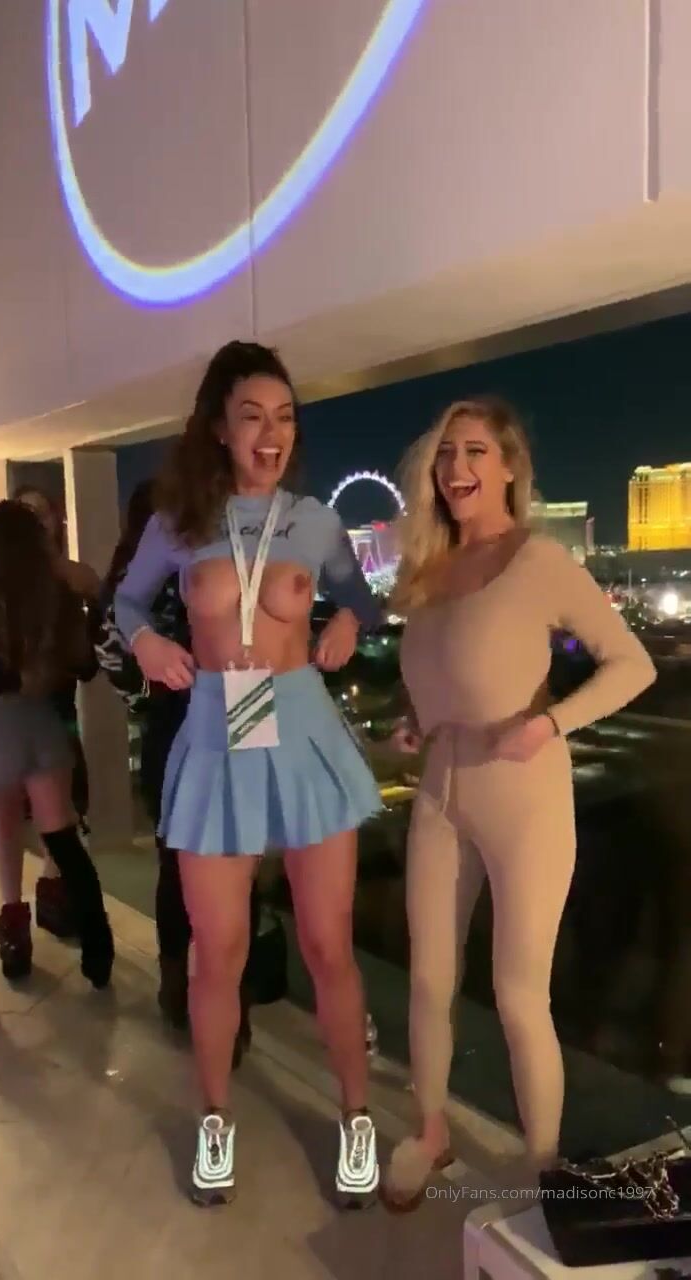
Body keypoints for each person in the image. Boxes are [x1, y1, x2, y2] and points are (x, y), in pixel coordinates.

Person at [114, 340, 383, 1207]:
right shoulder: (176, 522)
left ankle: (356, 1116)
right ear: (219, 429)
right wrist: (147, 641)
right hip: (216, 732)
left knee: (327, 945)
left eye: (285, 417)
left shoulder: (315, 519)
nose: (271, 434)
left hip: (302, 728)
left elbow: (362, 596)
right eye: (252, 416)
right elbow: (124, 601)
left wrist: (349, 621)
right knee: (217, 952)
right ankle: (215, 1119)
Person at [382, 396, 656, 1208]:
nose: (456, 467)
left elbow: (632, 664)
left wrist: (550, 723)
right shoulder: (429, 570)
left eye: (474, 451)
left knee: (518, 994)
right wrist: (413, 719)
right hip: (441, 788)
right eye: (446, 453)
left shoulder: (540, 561)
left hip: (524, 794)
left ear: (508, 468)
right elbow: (436, 677)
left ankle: (543, 1167)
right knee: (429, 979)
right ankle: (430, 1131)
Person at [96, 479, 260, 1056]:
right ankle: (231, 1006)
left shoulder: (128, 581)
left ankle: (179, 988)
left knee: (177, 861)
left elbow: (108, 653)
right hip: (236, 707)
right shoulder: (224, 560)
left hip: (176, 719)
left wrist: (149, 694)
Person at [0, 501, 114, 1009]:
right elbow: (85, 666)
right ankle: (99, 959)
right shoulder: (56, 596)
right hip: (41, 728)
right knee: (66, 846)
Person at [0, 485, 100, 955]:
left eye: (42, 513)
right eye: (26, 513)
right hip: (4, 716)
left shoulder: (66, 578)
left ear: (55, 522)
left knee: (61, 812)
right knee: (9, 811)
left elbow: (94, 598)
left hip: (55, 710)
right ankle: (14, 912)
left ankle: (53, 896)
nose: (35, 521)